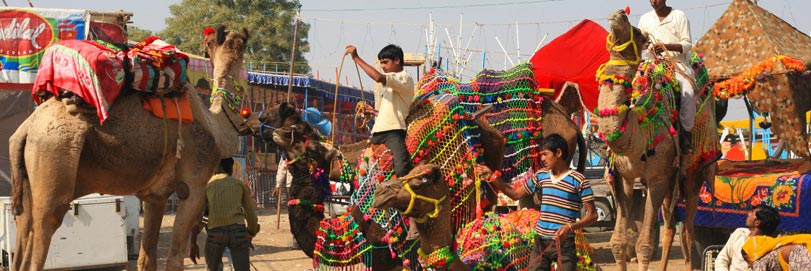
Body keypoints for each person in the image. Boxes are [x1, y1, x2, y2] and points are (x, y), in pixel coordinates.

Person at [476, 133, 598, 271]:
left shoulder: (578, 180)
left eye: (545, 154)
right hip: (540, 242)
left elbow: (593, 215)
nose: (542, 159)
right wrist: (493, 177)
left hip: (564, 245)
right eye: (541, 155)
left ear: (558, 153)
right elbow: (515, 194)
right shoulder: (541, 176)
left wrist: (570, 227)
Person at [344, 44, 415, 178]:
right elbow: (392, 110)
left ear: (397, 60)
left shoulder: (403, 78)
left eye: (385, 62)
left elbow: (378, 77)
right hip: (377, 133)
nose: (383, 66)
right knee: (360, 170)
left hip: (393, 133)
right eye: (381, 63)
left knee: (401, 170)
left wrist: (356, 58)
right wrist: (374, 112)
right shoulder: (392, 84)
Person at [638, 0, 696, 155]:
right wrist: (644, 45)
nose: (654, 1)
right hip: (652, 65)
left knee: (688, 93)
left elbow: (687, 45)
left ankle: (686, 134)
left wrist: (666, 46)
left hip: (676, 65)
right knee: (632, 89)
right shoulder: (645, 19)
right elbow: (640, 44)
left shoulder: (679, 16)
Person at [190, 158, 260, 271]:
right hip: (238, 233)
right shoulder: (239, 185)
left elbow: (203, 216)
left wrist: (193, 241)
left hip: (215, 234)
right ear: (231, 169)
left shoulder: (208, 185)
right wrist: (250, 233)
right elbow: (250, 214)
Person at [715, 204, 781, 271]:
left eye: (752, 213)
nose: (748, 214)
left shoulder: (769, 247)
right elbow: (722, 258)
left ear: (757, 222)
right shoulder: (739, 233)